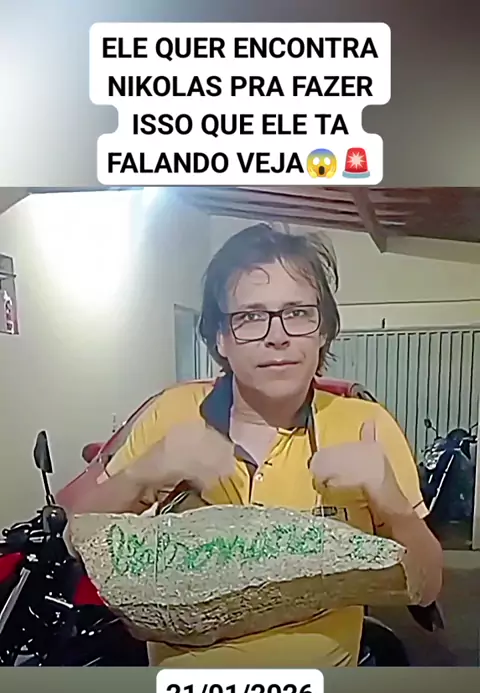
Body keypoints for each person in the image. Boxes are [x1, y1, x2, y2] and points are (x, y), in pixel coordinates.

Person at [68, 223, 443, 667]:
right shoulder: (172, 413)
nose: (277, 335)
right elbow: (76, 538)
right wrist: (143, 472)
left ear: (323, 330)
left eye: (297, 312)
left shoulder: (366, 425)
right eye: (250, 316)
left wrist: (394, 505)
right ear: (220, 338)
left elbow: (427, 588)